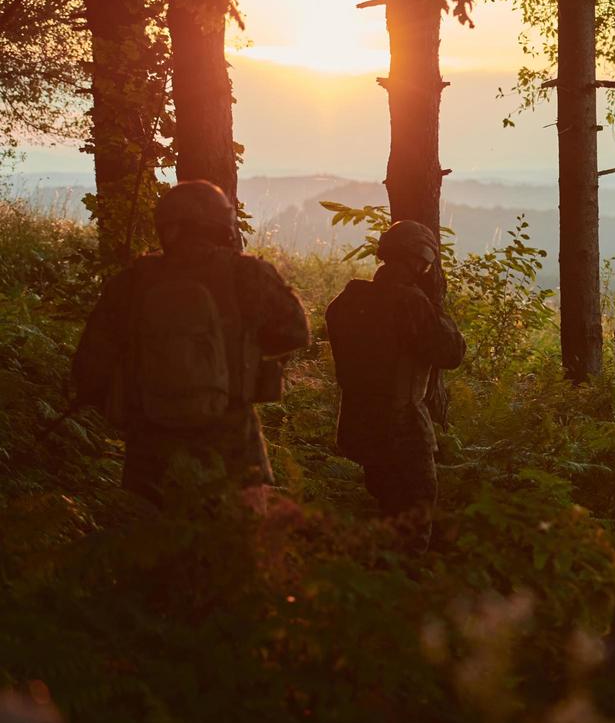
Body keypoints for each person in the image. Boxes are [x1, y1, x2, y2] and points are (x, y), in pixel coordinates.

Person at [72, 181, 309, 497]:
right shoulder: (246, 274)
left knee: (154, 538)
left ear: (167, 227)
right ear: (222, 224)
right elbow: (295, 333)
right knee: (239, 538)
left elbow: (89, 371)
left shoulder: (132, 282)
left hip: (151, 444)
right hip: (231, 438)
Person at [326, 220, 465, 515]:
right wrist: (436, 307)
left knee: (385, 502)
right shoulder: (411, 302)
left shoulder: (348, 300)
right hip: (401, 425)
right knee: (416, 506)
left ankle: (381, 559)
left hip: (359, 420)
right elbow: (451, 353)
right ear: (419, 260)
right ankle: (403, 561)